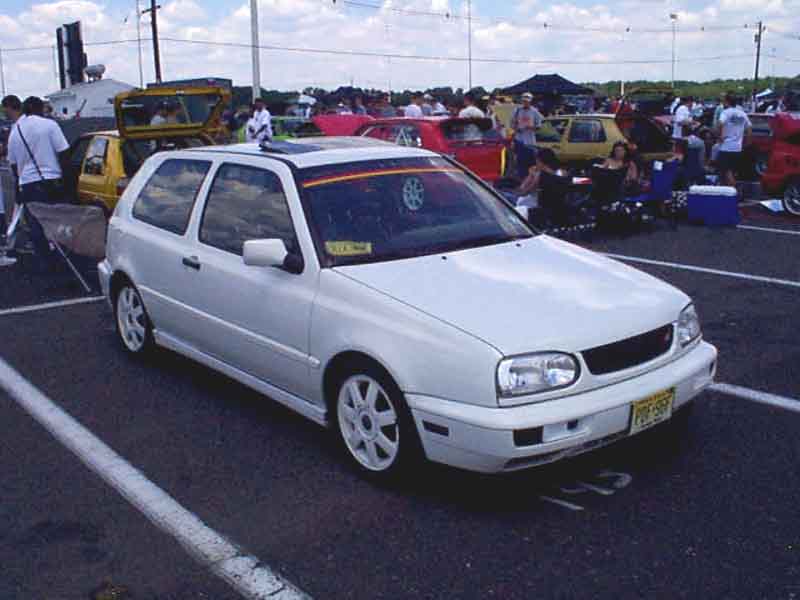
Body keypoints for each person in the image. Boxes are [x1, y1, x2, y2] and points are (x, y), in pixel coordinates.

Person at [6, 96, 70, 268]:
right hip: (51, 180)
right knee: (58, 219)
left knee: (35, 224)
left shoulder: (15, 131)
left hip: (27, 184)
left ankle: (45, 261)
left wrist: (18, 189)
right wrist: (68, 182)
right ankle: (63, 257)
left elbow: (13, 164)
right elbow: (64, 153)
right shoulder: (49, 125)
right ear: (40, 109)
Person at [715, 93, 752, 190]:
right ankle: (729, 189)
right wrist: (747, 142)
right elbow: (749, 129)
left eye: (724, 101)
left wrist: (719, 136)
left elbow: (719, 124)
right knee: (732, 171)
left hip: (726, 147)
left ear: (727, 102)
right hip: (738, 148)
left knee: (726, 171)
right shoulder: (742, 113)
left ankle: (733, 190)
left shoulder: (726, 112)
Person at [510, 92, 543, 179]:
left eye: (527, 101)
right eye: (524, 101)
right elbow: (511, 124)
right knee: (520, 163)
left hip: (530, 142)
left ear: (530, 101)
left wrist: (531, 127)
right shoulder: (516, 111)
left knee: (531, 163)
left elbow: (539, 126)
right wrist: (516, 128)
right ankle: (521, 179)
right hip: (519, 140)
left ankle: (530, 179)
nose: (525, 103)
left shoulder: (535, 111)